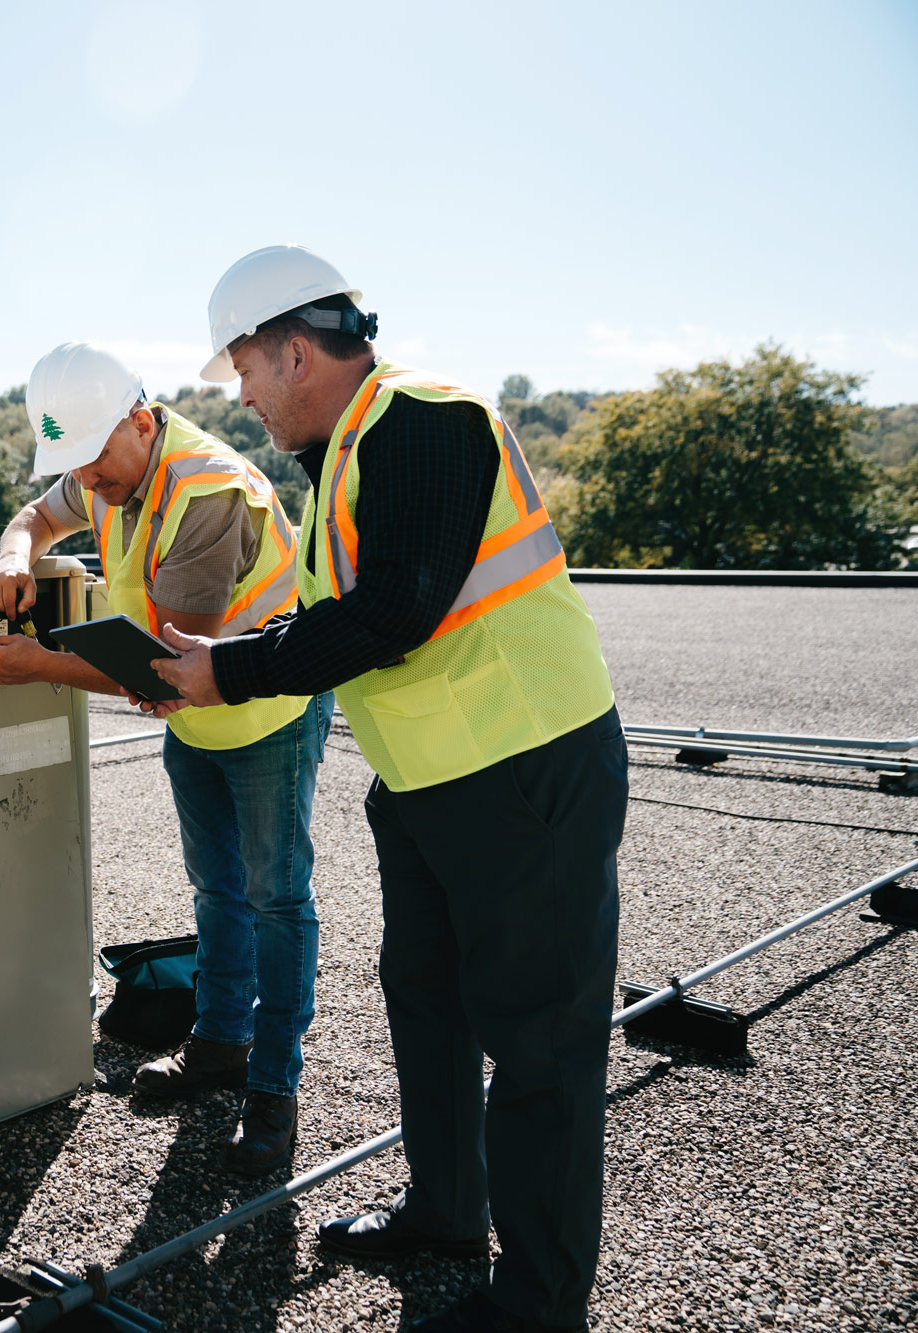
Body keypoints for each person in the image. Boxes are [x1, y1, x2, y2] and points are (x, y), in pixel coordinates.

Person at [148, 245, 627, 1333]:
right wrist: (230, 651)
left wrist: (228, 667)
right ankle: (446, 1212)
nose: (241, 396)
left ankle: (538, 1302)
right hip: (432, 779)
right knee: (428, 1000)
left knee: (539, 1041)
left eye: (244, 371)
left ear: (296, 350)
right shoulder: (348, 452)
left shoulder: (420, 417)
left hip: (522, 765)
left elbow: (398, 608)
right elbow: (341, 617)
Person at [0, 341, 331, 1175]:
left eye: (96, 467)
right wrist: (13, 554)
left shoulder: (205, 492)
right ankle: (218, 1045)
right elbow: (36, 515)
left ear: (143, 420)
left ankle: (274, 1092)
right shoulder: (106, 462)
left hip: (264, 717)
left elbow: (165, 674)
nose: (89, 487)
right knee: (216, 889)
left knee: (276, 899)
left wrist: (39, 667)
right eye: (79, 474)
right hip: (198, 729)